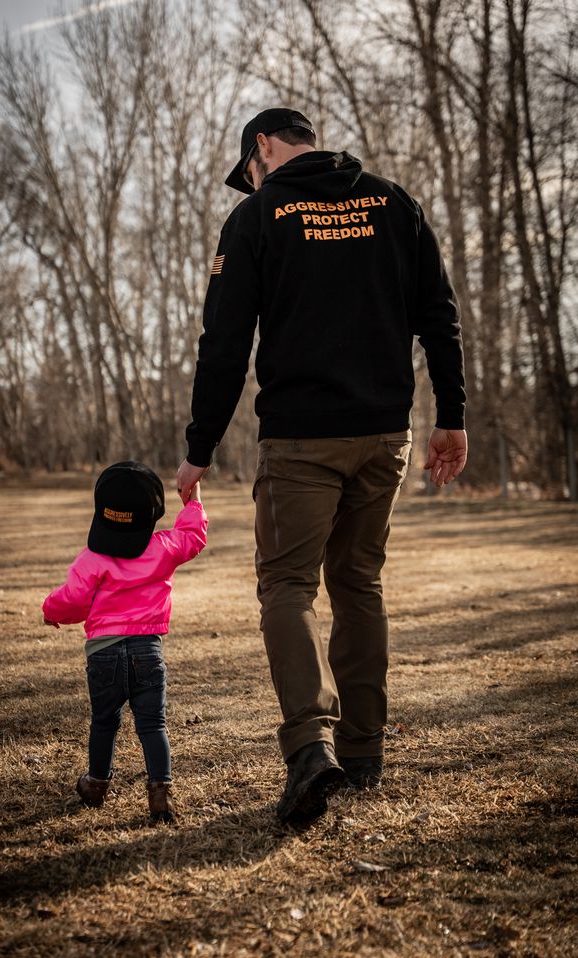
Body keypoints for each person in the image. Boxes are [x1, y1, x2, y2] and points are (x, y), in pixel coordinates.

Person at [177, 107, 467, 825]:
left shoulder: (258, 217)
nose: (253, 183)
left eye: (250, 171)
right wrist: (451, 417)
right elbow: (440, 315)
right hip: (384, 435)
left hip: (301, 440)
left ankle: (312, 748)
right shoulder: (394, 203)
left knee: (288, 585)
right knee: (359, 583)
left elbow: (223, 344)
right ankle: (364, 753)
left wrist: (198, 447)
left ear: (264, 147)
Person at [42, 460, 208, 823]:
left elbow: (72, 599)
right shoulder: (162, 547)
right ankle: (161, 793)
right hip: (148, 651)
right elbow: (193, 537)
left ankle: (96, 783)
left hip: (104, 653)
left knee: (104, 721)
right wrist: (193, 500)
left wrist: (51, 611)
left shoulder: (92, 558)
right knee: (153, 724)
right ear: (151, 514)